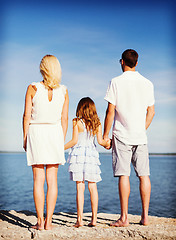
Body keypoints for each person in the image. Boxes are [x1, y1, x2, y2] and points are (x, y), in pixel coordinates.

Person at [103, 49, 155, 227]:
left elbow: (111, 111)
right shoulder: (147, 83)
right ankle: (145, 217)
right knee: (144, 175)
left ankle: (124, 218)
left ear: (122, 62)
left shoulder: (115, 82)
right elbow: (151, 112)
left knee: (123, 175)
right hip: (140, 136)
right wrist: (142, 128)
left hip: (121, 135)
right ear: (137, 63)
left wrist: (105, 136)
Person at [23, 55, 69, 230]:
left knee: (38, 180)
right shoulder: (64, 90)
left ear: (42, 68)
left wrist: (25, 137)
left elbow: (26, 116)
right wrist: (61, 138)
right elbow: (64, 119)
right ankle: (49, 222)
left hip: (36, 133)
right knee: (52, 180)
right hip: (55, 133)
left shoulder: (33, 87)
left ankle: (40, 222)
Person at [65, 97, 110, 228]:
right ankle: (94, 219)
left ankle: (79, 220)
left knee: (80, 187)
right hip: (91, 155)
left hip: (78, 155)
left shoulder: (76, 121)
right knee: (93, 187)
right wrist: (109, 144)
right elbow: (101, 142)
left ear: (80, 108)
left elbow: (74, 141)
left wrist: (60, 147)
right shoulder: (97, 123)